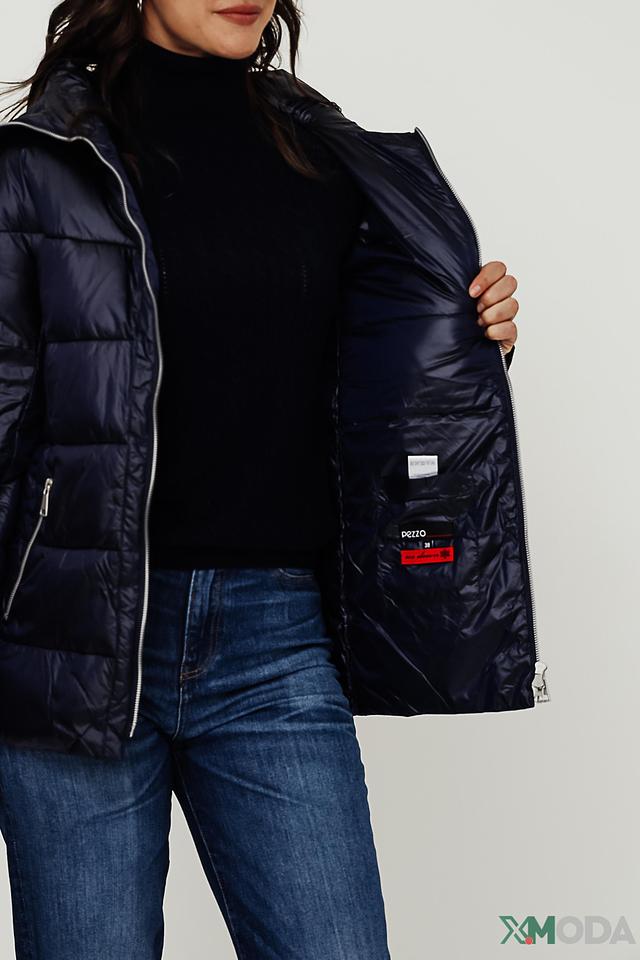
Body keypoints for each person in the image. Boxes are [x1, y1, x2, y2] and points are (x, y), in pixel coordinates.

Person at [0, 1, 532, 958]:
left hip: (274, 639)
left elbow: (368, 385)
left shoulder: (323, 154)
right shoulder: (42, 162)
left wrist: (460, 340)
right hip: (69, 640)